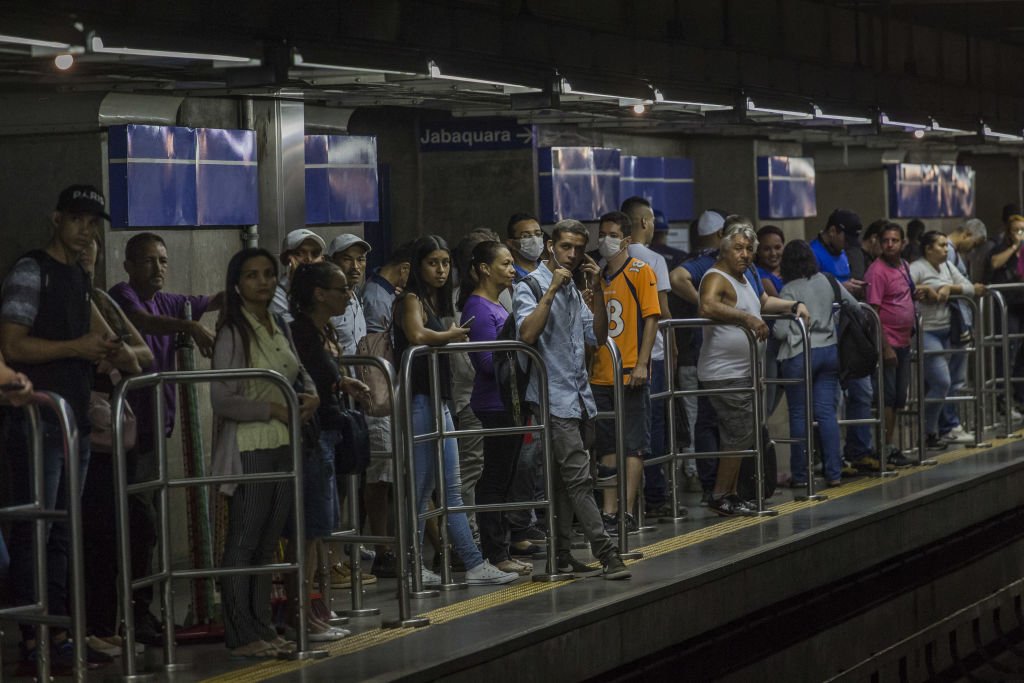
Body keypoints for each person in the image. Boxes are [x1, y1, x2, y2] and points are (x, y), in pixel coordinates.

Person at [0, 184, 133, 671]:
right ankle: (35, 635)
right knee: (37, 528)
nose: (85, 230)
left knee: (60, 532)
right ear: (57, 219)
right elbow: (12, 344)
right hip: (37, 421)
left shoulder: (78, 278)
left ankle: (55, 630)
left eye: (93, 222)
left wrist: (105, 348)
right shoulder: (33, 272)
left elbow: (100, 339)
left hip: (72, 419)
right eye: (77, 220)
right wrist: (75, 348)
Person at [108, 231, 221, 641]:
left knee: (149, 523)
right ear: (129, 265)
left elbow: (211, 300)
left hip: (158, 429)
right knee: (140, 523)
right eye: (149, 261)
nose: (157, 268)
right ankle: (131, 613)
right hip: (129, 432)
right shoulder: (123, 297)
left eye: (162, 261)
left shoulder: (169, 301)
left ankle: (143, 611)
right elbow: (139, 323)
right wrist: (190, 326)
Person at [211, 247, 319, 658]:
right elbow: (222, 397)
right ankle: (240, 631)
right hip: (251, 444)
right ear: (237, 283)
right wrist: (273, 408)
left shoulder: (278, 324)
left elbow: (298, 369)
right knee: (244, 537)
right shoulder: (233, 332)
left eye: (269, 274)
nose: (263, 282)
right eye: (253, 275)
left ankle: (261, 623)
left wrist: (309, 396)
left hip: (283, 441)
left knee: (268, 538)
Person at [394, 235, 519, 586]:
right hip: (420, 401)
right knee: (420, 489)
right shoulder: (411, 300)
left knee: (450, 488)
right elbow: (417, 335)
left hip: (441, 401)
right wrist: (450, 335)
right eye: (433, 262)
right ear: (418, 265)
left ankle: (473, 562)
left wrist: (449, 334)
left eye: (445, 262)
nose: (440, 269)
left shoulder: (434, 303)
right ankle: (412, 564)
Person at [513, 219, 631, 579]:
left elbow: (596, 336)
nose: (573, 255)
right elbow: (527, 334)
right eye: (566, 247)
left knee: (567, 482)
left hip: (580, 398)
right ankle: (607, 553)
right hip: (552, 399)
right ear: (551, 245)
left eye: (580, 249)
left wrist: (595, 290)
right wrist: (550, 290)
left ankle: (561, 555)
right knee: (579, 479)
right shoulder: (530, 286)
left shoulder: (575, 289)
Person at [697, 220, 808, 516]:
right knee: (739, 431)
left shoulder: (746, 278)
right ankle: (721, 494)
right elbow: (707, 306)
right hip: (723, 372)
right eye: (738, 248)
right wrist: (747, 320)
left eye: (748, 249)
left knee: (743, 432)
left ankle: (731, 493)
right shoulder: (716, 276)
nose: (744, 254)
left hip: (744, 371)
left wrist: (792, 305)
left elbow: (762, 303)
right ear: (724, 248)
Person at [288, 261, 372, 640]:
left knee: (322, 528)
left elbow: (324, 376)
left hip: (327, 432)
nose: (348, 294)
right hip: (313, 435)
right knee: (310, 528)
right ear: (319, 294)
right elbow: (307, 378)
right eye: (341, 289)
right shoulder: (301, 334)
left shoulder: (320, 332)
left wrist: (343, 382)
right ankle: (302, 615)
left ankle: (317, 606)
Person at [78, 236, 153, 657]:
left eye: (93, 244)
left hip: (116, 434)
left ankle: (113, 621)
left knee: (131, 529)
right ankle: (88, 626)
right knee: (90, 532)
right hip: (80, 432)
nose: (86, 253)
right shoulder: (58, 298)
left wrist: (115, 354)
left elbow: (140, 354)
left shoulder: (101, 299)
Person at [457, 240, 532, 576]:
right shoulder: (478, 307)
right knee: (494, 479)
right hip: (494, 402)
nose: (511, 269)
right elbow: (488, 361)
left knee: (504, 477)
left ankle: (501, 549)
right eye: (504, 264)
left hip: (509, 401)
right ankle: (495, 552)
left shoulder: (497, 304)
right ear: (485, 269)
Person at [590, 211, 661, 532]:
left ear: (627, 239)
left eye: (612, 234)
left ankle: (627, 510)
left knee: (632, 444)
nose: (605, 239)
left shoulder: (639, 271)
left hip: (630, 370)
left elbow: (651, 318)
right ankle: (608, 510)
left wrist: (643, 362)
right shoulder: (600, 276)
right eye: (602, 233)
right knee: (606, 445)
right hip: (600, 373)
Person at [774, 240, 857, 488]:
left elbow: (779, 331)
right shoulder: (827, 280)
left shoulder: (788, 290)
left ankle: (801, 476)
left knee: (799, 414)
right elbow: (852, 305)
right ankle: (834, 473)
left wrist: (790, 330)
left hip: (800, 354)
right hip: (829, 352)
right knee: (826, 414)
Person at [359, 242, 412, 578]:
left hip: (383, 392)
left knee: (387, 473)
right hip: (377, 392)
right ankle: (383, 547)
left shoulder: (377, 293)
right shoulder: (378, 298)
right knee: (380, 473)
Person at [810, 209, 877, 473]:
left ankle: (859, 450)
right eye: (844, 238)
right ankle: (832, 459)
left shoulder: (847, 254)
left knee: (863, 392)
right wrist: (842, 288)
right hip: (827, 336)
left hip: (851, 334)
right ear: (833, 230)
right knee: (831, 402)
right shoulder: (813, 252)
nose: (847, 245)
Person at [620, 196, 673, 518]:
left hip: (622, 357)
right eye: (651, 221)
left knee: (626, 427)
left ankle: (626, 501)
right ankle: (655, 495)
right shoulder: (653, 260)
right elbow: (663, 313)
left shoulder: (607, 261)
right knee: (653, 426)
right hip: (651, 356)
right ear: (643, 222)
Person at [909, 231, 985, 448]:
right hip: (927, 331)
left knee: (948, 381)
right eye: (941, 245)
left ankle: (938, 429)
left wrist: (947, 289)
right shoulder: (917, 268)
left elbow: (970, 287)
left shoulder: (947, 267)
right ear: (928, 249)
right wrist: (930, 292)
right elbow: (909, 290)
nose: (946, 249)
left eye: (945, 245)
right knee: (942, 381)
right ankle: (928, 430)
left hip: (948, 330)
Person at [864, 223, 928, 466]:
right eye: (886, 241)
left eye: (894, 240)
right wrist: (885, 347)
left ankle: (890, 443)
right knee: (887, 398)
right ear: (879, 244)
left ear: (902, 243)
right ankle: (884, 446)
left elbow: (901, 295)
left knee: (900, 396)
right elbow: (874, 312)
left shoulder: (903, 266)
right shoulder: (877, 271)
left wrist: (913, 297)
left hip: (903, 341)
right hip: (888, 343)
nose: (890, 245)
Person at [983, 213, 1024, 417]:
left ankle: (1020, 397)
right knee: (1007, 350)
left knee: (1021, 353)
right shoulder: (1002, 248)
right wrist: (1015, 247)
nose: (1020, 233)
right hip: (1007, 305)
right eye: (1017, 230)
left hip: (1022, 304)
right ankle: (1002, 399)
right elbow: (994, 263)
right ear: (1009, 232)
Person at [270, 228, 326, 323]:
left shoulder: (324, 290)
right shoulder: (276, 296)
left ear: (322, 260)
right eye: (300, 253)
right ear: (287, 259)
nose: (309, 259)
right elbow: (298, 332)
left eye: (315, 254)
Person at [327, 234, 370, 355]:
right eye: (347, 259)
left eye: (360, 259)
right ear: (332, 262)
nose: (355, 267)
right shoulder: (326, 301)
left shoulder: (357, 295)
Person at [755, 225, 785, 296]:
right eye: (766, 249)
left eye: (777, 248)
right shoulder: (759, 274)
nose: (773, 254)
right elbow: (781, 304)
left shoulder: (790, 268)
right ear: (758, 251)